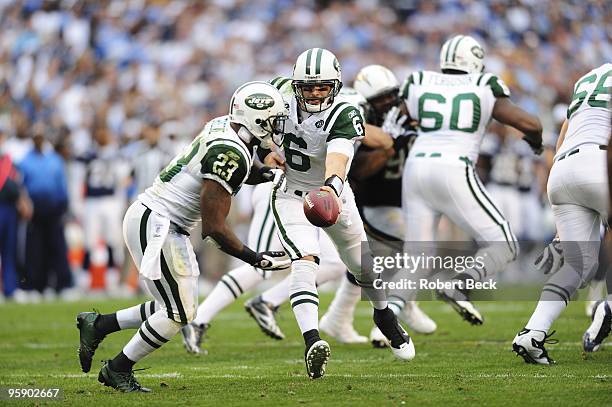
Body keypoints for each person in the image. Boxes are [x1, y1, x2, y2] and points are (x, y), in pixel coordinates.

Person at [75, 81, 291, 392]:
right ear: (256, 121)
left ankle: (99, 325)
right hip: (159, 224)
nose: (277, 128)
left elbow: (232, 172)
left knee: (177, 305)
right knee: (179, 312)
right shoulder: (230, 152)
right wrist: (256, 258)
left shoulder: (224, 128)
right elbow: (214, 228)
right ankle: (118, 368)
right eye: (273, 121)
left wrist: (266, 172)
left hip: (156, 218)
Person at [264, 48, 415, 380]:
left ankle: (383, 315)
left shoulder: (346, 112)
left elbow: (339, 158)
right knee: (306, 260)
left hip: (333, 192)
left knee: (364, 264)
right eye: (308, 87)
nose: (316, 93)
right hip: (290, 194)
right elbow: (249, 128)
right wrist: (264, 155)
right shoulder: (276, 95)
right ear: (295, 85)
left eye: (323, 87)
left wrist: (331, 188)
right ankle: (312, 341)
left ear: (335, 85)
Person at [399, 35, 543, 325]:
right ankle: (461, 283)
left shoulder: (418, 80)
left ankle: (389, 313)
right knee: (505, 243)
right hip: (454, 168)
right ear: (476, 60)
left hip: (415, 169)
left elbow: (400, 122)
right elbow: (530, 123)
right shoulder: (484, 84)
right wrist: (536, 141)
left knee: (418, 255)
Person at [513, 63, 611, 364]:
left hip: (563, 168)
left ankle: (533, 333)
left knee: (577, 265)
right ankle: (608, 307)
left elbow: (564, 135)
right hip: (600, 161)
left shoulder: (590, 77)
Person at [19, 125, 72, 297]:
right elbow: (21, 186)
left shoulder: (53, 159)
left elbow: (61, 184)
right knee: (35, 248)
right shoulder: (25, 160)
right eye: (36, 138)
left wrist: (64, 204)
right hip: (35, 208)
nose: (39, 141)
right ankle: (36, 285)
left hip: (54, 208)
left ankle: (61, 284)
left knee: (57, 246)